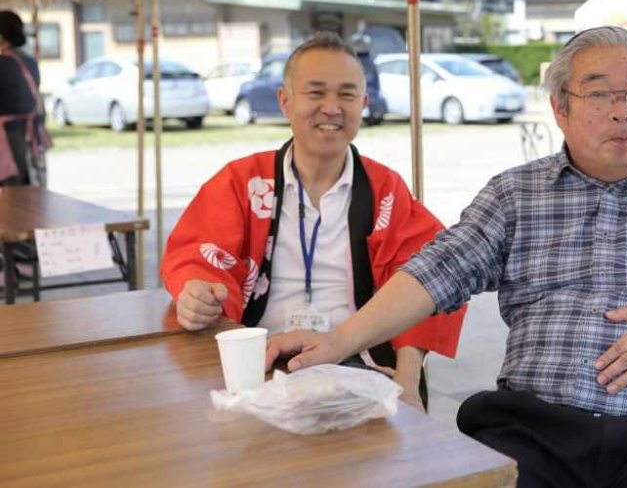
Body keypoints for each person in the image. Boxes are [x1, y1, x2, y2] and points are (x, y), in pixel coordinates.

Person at [266, 26, 627, 486]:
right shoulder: (516, 194)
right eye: (601, 94)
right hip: (533, 428)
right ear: (560, 107)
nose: (624, 109)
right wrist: (339, 340)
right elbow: (437, 271)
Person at [160, 33, 466, 410]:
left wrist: (407, 377)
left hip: (359, 362)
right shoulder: (242, 182)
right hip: (262, 363)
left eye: (347, 95)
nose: (332, 107)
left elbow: (430, 280)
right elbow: (197, 256)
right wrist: (196, 295)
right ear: (285, 102)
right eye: (316, 93)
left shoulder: (384, 190)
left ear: (364, 104)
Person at [0, 11, 48, 187]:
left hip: (8, 138)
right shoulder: (30, 61)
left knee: (11, 196)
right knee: (30, 192)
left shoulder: (3, 63)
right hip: (30, 135)